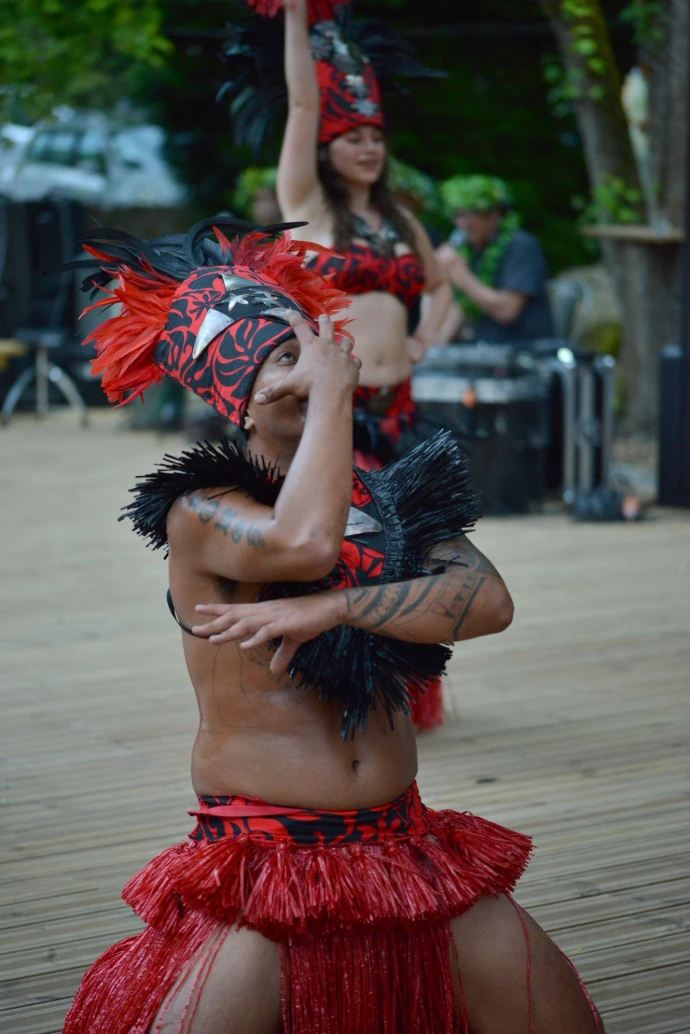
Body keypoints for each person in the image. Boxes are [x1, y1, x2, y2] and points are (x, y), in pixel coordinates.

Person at [61, 217, 603, 1034]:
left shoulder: (385, 501)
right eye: (286, 356)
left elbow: (488, 601)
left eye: (313, 345)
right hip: (268, 858)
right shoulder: (202, 510)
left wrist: (337, 606)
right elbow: (306, 543)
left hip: (405, 843)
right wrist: (336, 396)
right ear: (242, 399)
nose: (317, 361)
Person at [275, 0, 452, 471]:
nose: (370, 149)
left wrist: (424, 339)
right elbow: (303, 105)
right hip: (333, 407)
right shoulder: (308, 206)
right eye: (354, 139)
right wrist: (295, 15)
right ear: (324, 149)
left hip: (401, 408)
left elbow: (440, 285)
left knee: (412, 518)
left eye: (376, 138)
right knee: (347, 519)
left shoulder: (400, 220)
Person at [436, 175, 555, 345]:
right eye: (459, 215)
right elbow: (461, 306)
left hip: (523, 348)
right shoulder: (470, 249)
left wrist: (460, 274)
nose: (464, 224)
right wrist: (435, 345)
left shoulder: (520, 245)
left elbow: (507, 311)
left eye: (472, 214)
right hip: (482, 347)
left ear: (495, 214)